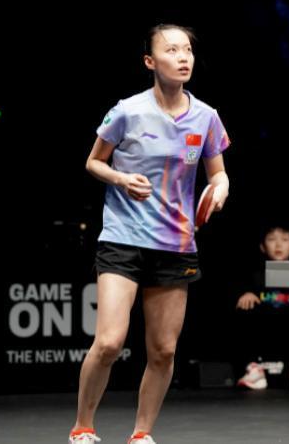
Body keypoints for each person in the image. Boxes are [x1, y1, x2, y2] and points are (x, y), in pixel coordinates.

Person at [69, 24, 231, 444]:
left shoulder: (206, 117)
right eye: (171, 50)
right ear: (149, 61)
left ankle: (141, 434)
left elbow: (218, 174)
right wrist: (121, 179)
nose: (183, 57)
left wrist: (220, 190)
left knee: (164, 350)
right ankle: (83, 426)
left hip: (176, 244)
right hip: (123, 237)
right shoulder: (127, 111)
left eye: (187, 50)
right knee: (109, 342)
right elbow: (93, 162)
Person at [234, 225, 289, 390]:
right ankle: (255, 369)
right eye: (272, 239)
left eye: (284, 240)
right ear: (262, 246)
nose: (278, 245)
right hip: (265, 330)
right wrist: (246, 296)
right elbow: (238, 306)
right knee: (246, 307)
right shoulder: (255, 275)